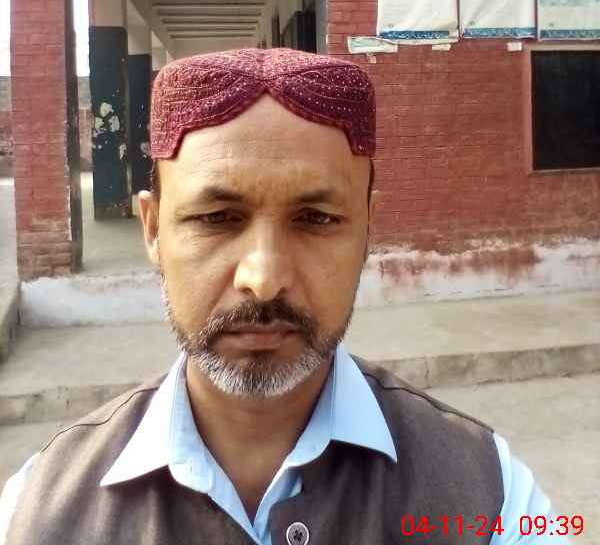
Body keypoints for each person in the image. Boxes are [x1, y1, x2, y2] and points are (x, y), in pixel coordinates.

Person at [0, 48, 569, 544]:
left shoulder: (489, 496)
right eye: (216, 218)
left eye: (316, 218)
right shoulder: (38, 513)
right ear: (152, 230)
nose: (264, 278)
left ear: (367, 229)